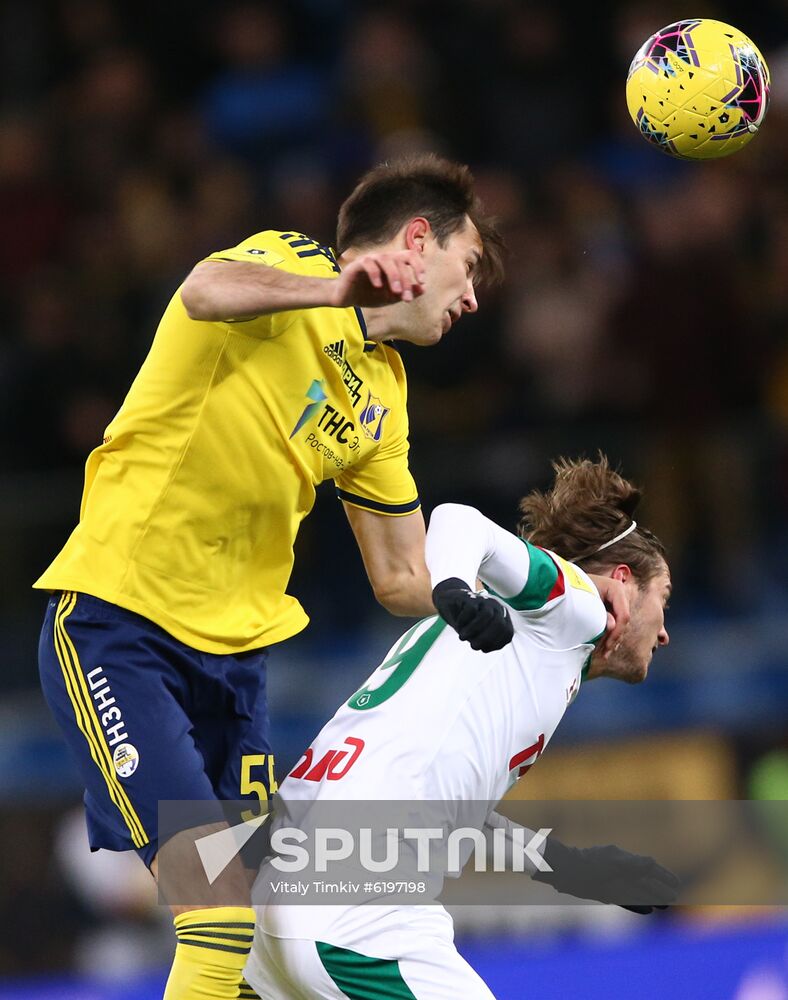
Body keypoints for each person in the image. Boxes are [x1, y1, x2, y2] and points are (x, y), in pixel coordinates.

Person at [33, 154, 626, 999]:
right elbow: (203, 288)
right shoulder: (294, 267)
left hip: (235, 667)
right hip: (119, 625)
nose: (472, 298)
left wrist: (505, 596)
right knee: (220, 922)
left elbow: (398, 575)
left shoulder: (384, 395)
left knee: (255, 940)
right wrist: (335, 289)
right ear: (416, 242)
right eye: (466, 269)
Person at [244, 455, 677, 1000]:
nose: (664, 634)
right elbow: (458, 520)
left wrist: (567, 866)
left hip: (281, 913)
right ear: (623, 581)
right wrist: (452, 588)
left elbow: (441, 801)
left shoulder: (499, 657)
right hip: (360, 917)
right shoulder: (582, 607)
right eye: (664, 600)